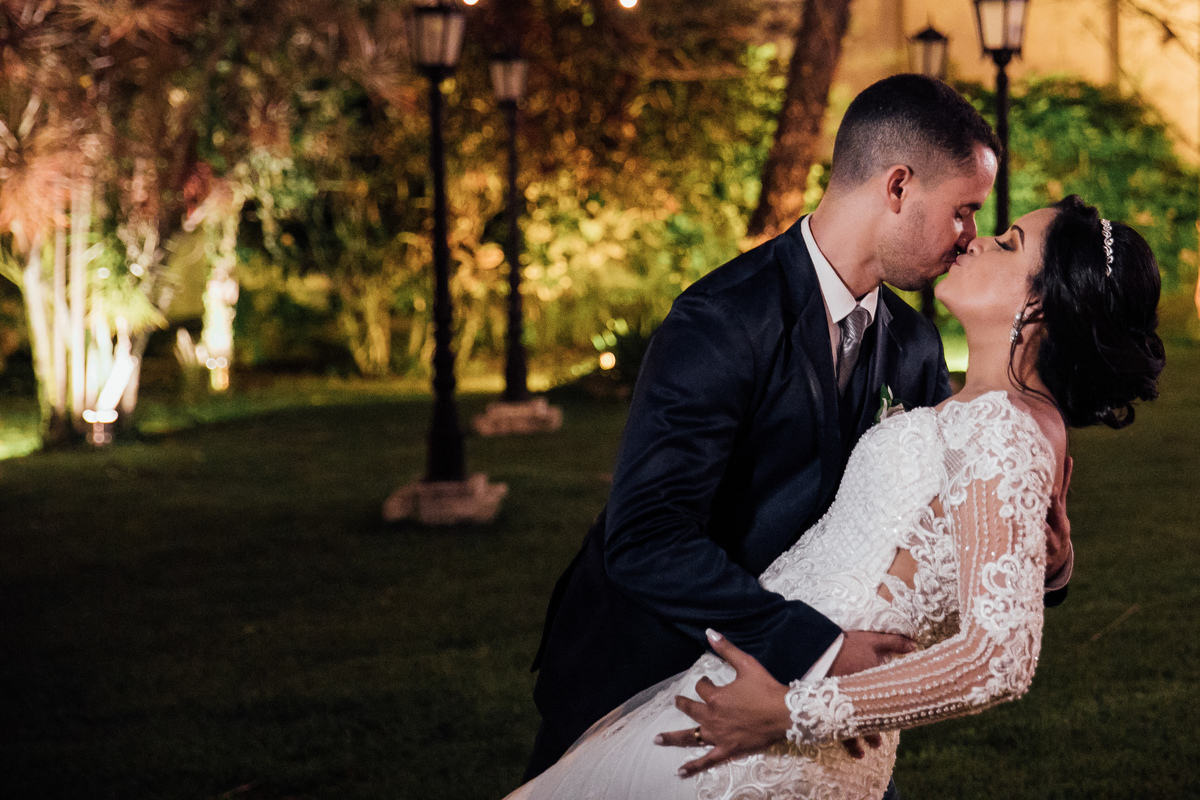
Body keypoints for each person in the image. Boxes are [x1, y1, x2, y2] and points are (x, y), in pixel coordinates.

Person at [507, 196, 1164, 800]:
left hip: (780, 728)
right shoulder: (978, 405)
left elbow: (1000, 662)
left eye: (1010, 242)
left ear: (1041, 304)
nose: (978, 239)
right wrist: (1048, 562)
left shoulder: (1003, 426)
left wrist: (790, 713)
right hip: (741, 681)